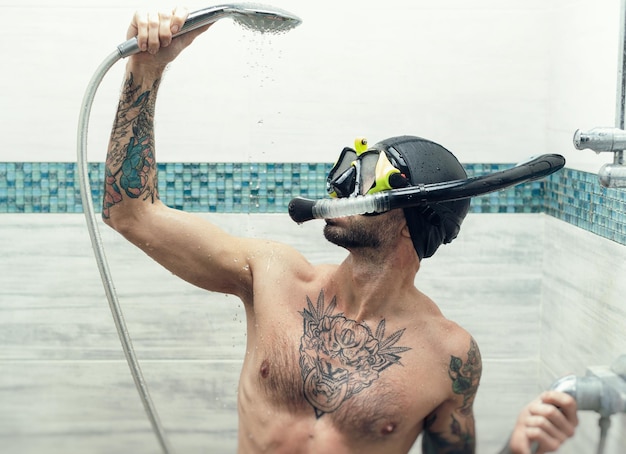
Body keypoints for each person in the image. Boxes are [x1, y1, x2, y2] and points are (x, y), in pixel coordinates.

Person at [102, 7, 579, 453]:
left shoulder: (449, 356)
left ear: (416, 216)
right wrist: (147, 71)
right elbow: (130, 212)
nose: (345, 188)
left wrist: (518, 448)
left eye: (368, 177)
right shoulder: (274, 277)